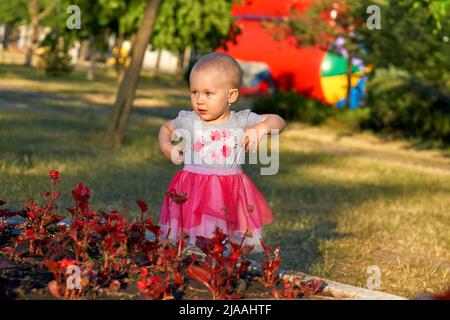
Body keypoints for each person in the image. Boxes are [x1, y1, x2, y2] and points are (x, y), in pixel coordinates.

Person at [158, 52, 286, 250]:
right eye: (195, 92)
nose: (200, 100)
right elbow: (166, 129)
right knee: (189, 238)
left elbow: (278, 121)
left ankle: (219, 268)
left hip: (228, 191)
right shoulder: (189, 120)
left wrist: (260, 128)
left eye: (208, 93)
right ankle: (191, 263)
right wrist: (167, 147)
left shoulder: (240, 120)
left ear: (231, 95)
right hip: (192, 190)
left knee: (222, 240)